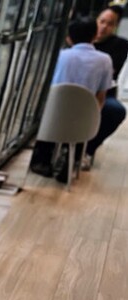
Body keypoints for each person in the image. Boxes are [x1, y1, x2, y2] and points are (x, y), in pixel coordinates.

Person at [29, 17, 113, 182]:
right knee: (84, 115)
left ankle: (42, 159)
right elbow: (101, 96)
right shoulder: (105, 60)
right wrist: (93, 119)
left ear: (68, 38)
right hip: (82, 124)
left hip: (52, 119)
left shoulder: (60, 56)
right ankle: (72, 158)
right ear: (94, 35)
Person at [86, 4, 128, 167]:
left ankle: (88, 149)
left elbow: (112, 71)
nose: (104, 27)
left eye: (110, 24)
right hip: (77, 89)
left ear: (115, 27)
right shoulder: (82, 37)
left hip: (103, 93)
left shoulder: (120, 45)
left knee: (116, 111)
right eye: (102, 21)